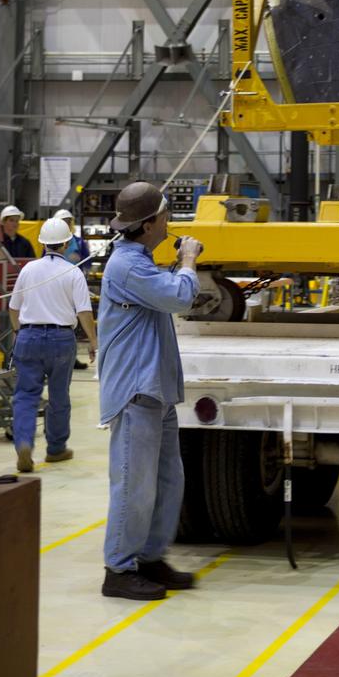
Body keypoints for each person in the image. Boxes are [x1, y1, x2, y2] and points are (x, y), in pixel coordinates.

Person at [98, 181, 202, 602]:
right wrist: (189, 260)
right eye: (164, 215)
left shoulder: (141, 261)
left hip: (156, 390)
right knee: (133, 484)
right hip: (136, 391)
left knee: (167, 481)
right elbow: (180, 298)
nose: (169, 222)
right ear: (149, 224)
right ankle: (119, 569)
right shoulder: (128, 266)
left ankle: (149, 557)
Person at [8, 216, 98, 474]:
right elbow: (84, 313)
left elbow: (14, 308)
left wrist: (18, 333)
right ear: (66, 243)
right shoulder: (73, 271)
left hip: (29, 337)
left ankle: (24, 444)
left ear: (42, 244)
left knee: (25, 396)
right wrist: (93, 341)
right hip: (61, 340)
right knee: (59, 397)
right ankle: (56, 448)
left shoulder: (28, 270)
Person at [52, 208, 92, 370]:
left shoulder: (80, 242)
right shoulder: (51, 243)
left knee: (73, 322)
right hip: (55, 287)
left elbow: (87, 264)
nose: (67, 225)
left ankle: (71, 357)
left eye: (68, 222)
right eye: (63, 222)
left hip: (73, 285)